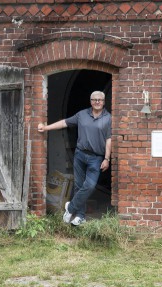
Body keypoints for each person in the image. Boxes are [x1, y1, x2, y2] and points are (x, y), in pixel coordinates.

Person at [38, 91, 111, 226]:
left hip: (96, 158)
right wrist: (46, 128)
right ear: (90, 101)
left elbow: (109, 139)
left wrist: (107, 158)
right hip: (80, 155)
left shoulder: (108, 118)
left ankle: (70, 207)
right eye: (94, 99)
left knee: (89, 185)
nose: (97, 102)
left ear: (104, 102)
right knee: (78, 186)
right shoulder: (82, 115)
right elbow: (64, 123)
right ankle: (80, 216)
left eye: (100, 100)